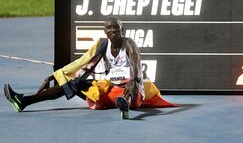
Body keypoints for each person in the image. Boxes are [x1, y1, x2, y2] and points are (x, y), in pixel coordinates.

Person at [4, 17, 145, 119]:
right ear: (105, 31)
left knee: (132, 83)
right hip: (108, 88)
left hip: (130, 89)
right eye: (109, 28)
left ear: (122, 29)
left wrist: (134, 80)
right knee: (73, 84)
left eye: (116, 27)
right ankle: (24, 101)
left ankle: (125, 106)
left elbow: (136, 66)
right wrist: (53, 76)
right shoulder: (102, 44)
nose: (113, 30)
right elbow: (80, 62)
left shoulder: (129, 44)